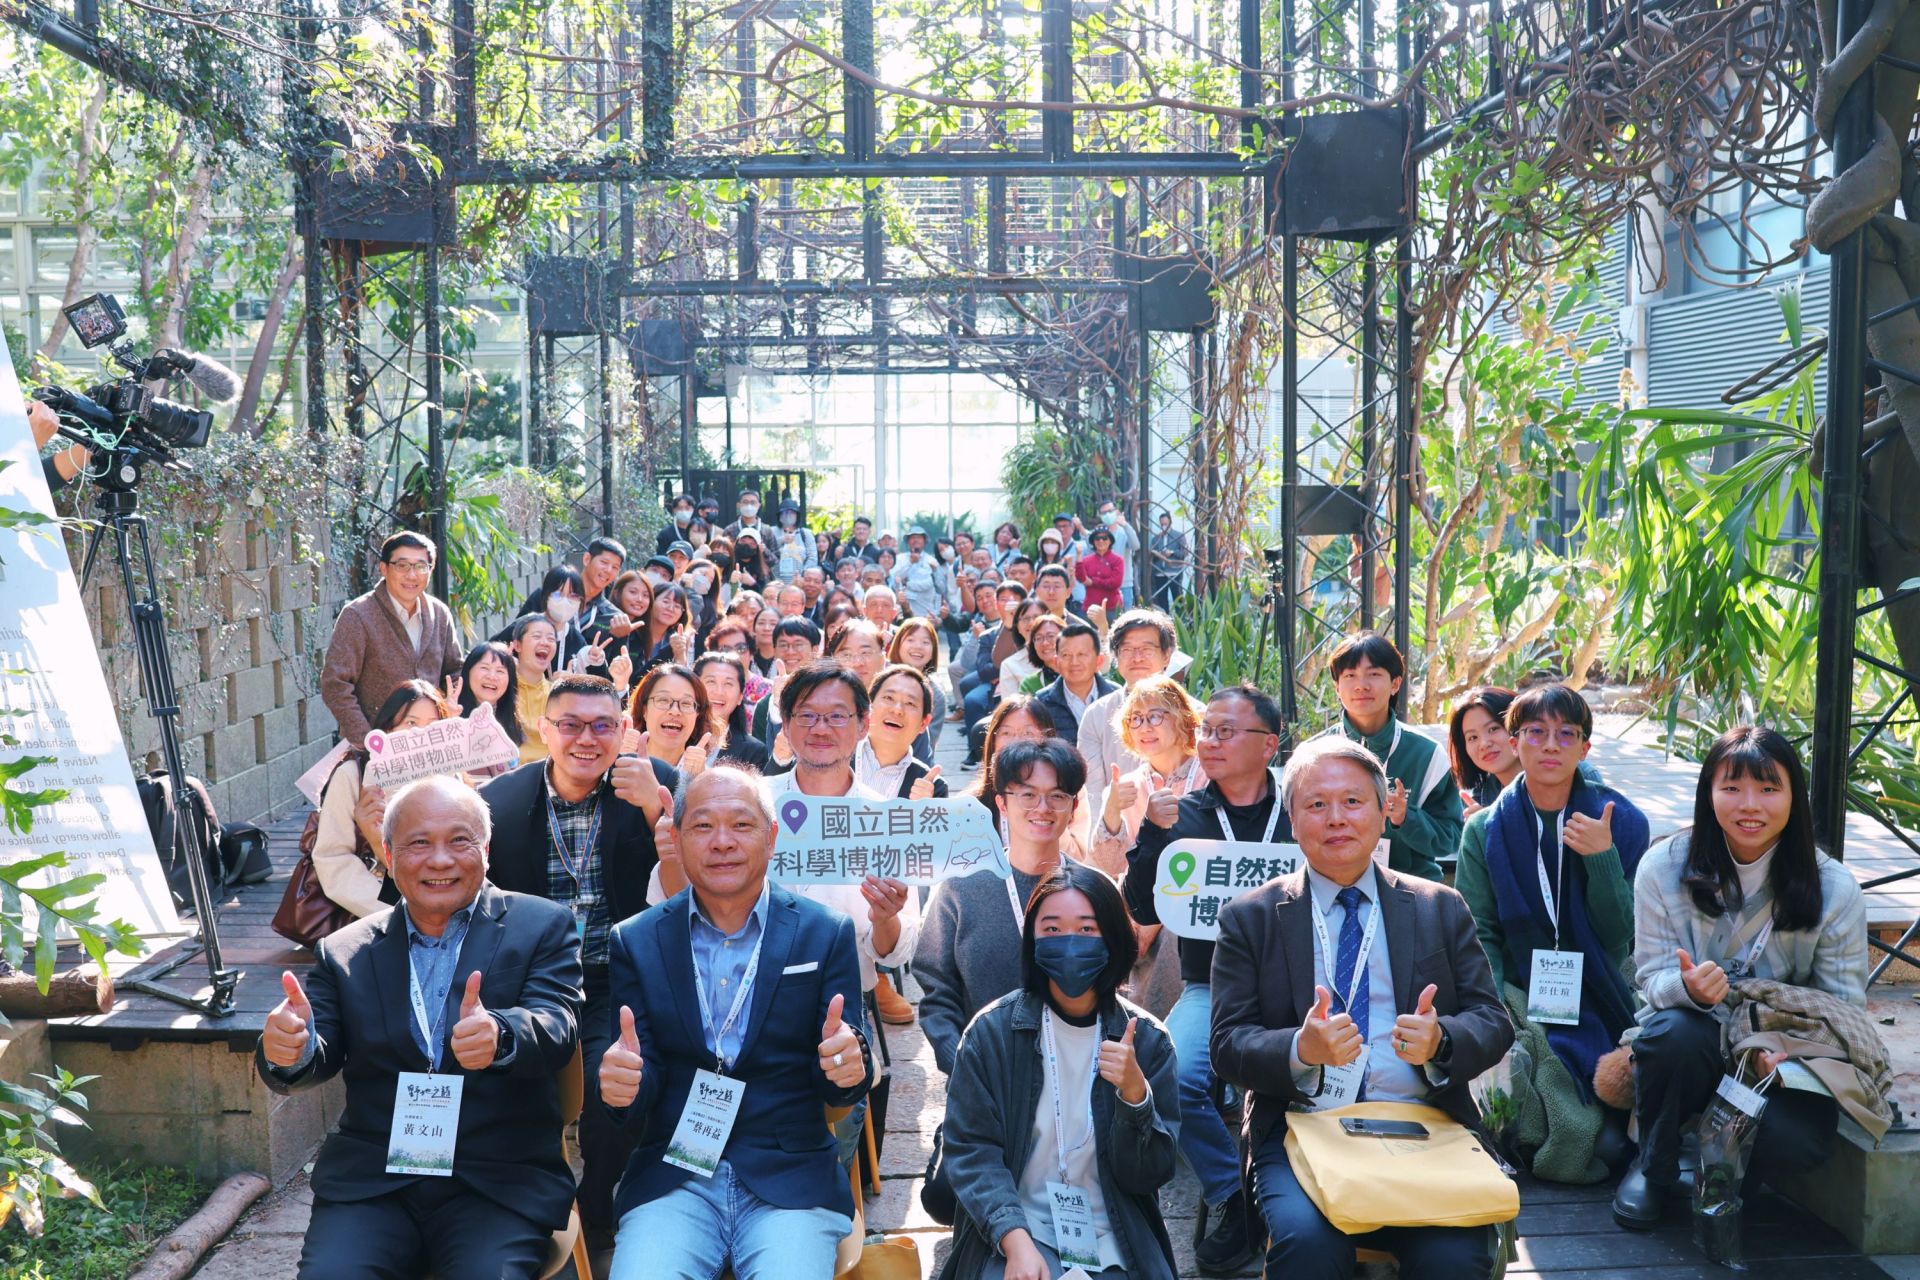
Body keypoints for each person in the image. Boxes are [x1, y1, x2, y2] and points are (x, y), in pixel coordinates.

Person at [1210, 736, 1515, 1279]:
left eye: (1352, 801)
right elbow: (1227, 1044)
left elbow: (1493, 1022)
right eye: (1316, 804)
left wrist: (1441, 1040)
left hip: (1424, 1124)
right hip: (1303, 1126)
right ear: (1292, 820)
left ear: (1382, 812)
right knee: (1307, 1245)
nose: (1336, 818)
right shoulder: (1250, 917)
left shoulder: (1438, 906)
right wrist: (1299, 1049)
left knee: (1453, 1257)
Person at [256, 775, 583, 1280]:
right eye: (418, 844)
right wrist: (288, 1048)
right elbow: (317, 1048)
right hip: (376, 1182)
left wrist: (501, 1034)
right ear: (389, 855)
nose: (440, 860)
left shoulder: (542, 926)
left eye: (459, 841)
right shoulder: (345, 951)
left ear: (486, 849)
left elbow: (556, 1021)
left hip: (496, 1180)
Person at [599, 766, 874, 1280]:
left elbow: (843, 1078)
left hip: (790, 1178)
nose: (722, 842)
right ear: (676, 838)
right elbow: (641, 1075)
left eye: (742, 825)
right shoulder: (636, 940)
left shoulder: (823, 932)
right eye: (703, 826)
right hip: (676, 1175)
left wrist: (848, 1065)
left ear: (772, 837)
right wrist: (622, 1086)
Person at [1612, 726, 1869, 1230]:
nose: (1750, 805)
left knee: (1799, 1140)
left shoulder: (1835, 889)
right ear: (1708, 793)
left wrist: (1793, 1051)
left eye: (1769, 788)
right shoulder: (1663, 867)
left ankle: (1728, 1178)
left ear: (1794, 796)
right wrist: (1687, 989)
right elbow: (1650, 978)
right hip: (1697, 1033)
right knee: (1671, 1036)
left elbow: (1843, 1008)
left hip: (1779, 1053)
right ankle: (1652, 1166)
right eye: (1731, 787)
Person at [478, 674, 681, 1249]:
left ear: (624, 730)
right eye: (571, 725)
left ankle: (598, 1206)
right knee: (516, 1087)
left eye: (602, 726)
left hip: (616, 975)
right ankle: (526, 1204)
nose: (587, 739)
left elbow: (688, 895)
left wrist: (654, 812)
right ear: (545, 729)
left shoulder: (656, 784)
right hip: (531, 978)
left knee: (614, 1086)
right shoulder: (499, 801)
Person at [938, 862, 1180, 1280]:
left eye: (1087, 929)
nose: (1069, 943)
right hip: (1018, 1230)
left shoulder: (1148, 1042)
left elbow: (1150, 1175)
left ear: (1114, 937)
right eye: (1052, 929)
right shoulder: (991, 1034)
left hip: (1115, 1237)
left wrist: (1135, 1096)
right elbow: (971, 1150)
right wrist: (1015, 1241)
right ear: (1031, 939)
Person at [1453, 683, 1649, 1180]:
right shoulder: (1485, 830)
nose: (1550, 746)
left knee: (1612, 1135)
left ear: (1585, 748)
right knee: (1589, 1131)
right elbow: (1479, 932)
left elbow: (1617, 936)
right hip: (1522, 986)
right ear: (1514, 742)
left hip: (1601, 982)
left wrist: (1602, 858)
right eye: (1536, 732)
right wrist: (1491, 1009)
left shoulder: (1623, 822)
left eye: (1567, 734)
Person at [1121, 684, 1287, 1272]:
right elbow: (1141, 906)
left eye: (1226, 731)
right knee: (1169, 1073)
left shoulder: (1304, 806)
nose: (1210, 742)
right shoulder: (1182, 812)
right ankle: (1233, 1195)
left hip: (1301, 986)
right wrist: (1151, 834)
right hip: (1210, 987)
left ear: (1269, 745)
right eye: (1207, 730)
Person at [734, 662, 921, 1030]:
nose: (820, 728)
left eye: (837, 716)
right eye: (806, 715)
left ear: (863, 725)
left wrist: (885, 917)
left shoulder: (887, 820)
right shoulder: (750, 802)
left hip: (840, 1002)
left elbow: (894, 951)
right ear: (786, 725)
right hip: (745, 991)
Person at [917, 739, 1085, 1076]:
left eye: (1057, 796)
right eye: (1027, 795)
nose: (1042, 808)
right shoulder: (961, 886)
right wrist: (960, 1060)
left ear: (1073, 806)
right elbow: (936, 988)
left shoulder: (1092, 891)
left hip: (1074, 1074)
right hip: (981, 1072)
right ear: (1002, 804)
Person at [1316, 631, 1462, 881]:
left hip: (1411, 887)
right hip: (1333, 884)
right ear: (1337, 687)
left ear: (1395, 683)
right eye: (1350, 675)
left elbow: (1450, 837)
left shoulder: (1426, 754)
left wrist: (1406, 818)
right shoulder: (1314, 753)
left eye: (1373, 674)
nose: (1361, 685)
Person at [311, 681, 451, 918]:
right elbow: (333, 857)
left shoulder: (450, 775)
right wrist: (388, 914)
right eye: (411, 723)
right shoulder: (353, 775)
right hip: (374, 906)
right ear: (387, 729)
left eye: (432, 725)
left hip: (443, 901)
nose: (420, 735)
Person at [321, 531, 466, 747]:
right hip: (376, 747)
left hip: (432, 743)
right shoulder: (358, 615)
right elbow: (335, 684)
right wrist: (368, 740)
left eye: (420, 566)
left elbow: (454, 671)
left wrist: (444, 710)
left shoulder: (439, 613)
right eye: (402, 565)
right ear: (384, 568)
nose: (412, 575)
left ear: (431, 569)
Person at [1089, 676, 1206, 873]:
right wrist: (1112, 810)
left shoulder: (1210, 777)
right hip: (1143, 892)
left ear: (1182, 717)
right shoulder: (1125, 788)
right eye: (1136, 718)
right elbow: (1111, 867)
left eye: (1155, 716)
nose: (1144, 728)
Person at [1079, 609, 1179, 819]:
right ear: (1115, 656)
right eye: (1127, 649)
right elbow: (1092, 794)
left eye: (1147, 649)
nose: (1137, 657)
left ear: (1167, 655)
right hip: (1116, 826)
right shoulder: (1097, 715)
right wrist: (1106, 832)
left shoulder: (1192, 714)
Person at [857, 664, 949, 800]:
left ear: (924, 723)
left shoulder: (932, 788)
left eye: (910, 703)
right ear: (867, 708)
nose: (897, 710)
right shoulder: (831, 759)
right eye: (888, 698)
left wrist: (924, 809)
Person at [454, 641, 529, 778]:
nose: (492, 676)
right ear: (468, 672)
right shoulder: (451, 718)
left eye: (500, 671)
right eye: (484, 668)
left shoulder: (511, 722)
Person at [630, 663, 719, 780]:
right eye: (663, 700)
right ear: (644, 710)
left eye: (686, 703)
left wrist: (697, 782)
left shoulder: (706, 780)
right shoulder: (617, 763)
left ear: (698, 714)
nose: (675, 711)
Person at [1033, 620, 1117, 744]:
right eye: (1066, 655)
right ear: (1056, 662)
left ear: (1099, 661)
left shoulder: (1117, 696)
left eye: (1082, 654)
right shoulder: (1041, 703)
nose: (1074, 662)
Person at [693, 652, 774, 772]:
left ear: (740, 696)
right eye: (711, 681)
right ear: (694, 689)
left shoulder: (753, 752)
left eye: (728, 683)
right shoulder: (676, 735)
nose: (719, 692)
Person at [748, 617, 822, 746]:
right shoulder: (766, 706)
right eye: (783, 645)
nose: (790, 651)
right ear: (774, 650)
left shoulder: (831, 696)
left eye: (798, 644)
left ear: (815, 650)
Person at [1448, 686, 1519, 817]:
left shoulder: (1552, 785)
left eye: (1493, 729)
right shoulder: (1480, 797)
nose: (1484, 744)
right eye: (1473, 737)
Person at [888, 616, 948, 756]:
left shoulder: (936, 696)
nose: (918, 646)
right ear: (898, 644)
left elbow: (927, 746)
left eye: (925, 642)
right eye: (910, 640)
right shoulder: (880, 679)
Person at [508, 615, 557, 765]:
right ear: (517, 646)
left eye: (551, 638)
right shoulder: (501, 688)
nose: (545, 642)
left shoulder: (558, 694)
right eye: (536, 636)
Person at [999, 611, 1064, 700]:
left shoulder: (1078, 672)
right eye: (1038, 638)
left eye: (1051, 636)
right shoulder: (1029, 684)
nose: (1045, 643)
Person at [891, 526, 951, 620]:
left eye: (919, 537)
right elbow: (893, 581)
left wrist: (935, 571)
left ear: (924, 541)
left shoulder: (932, 560)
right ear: (908, 541)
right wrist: (910, 563)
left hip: (927, 612)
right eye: (912, 537)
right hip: (905, 612)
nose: (915, 540)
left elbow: (941, 588)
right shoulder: (900, 559)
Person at [577, 536, 631, 639]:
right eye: (604, 562)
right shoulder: (554, 596)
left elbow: (620, 650)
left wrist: (620, 637)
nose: (608, 570)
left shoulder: (614, 618)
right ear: (587, 559)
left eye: (615, 567)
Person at [1094, 499, 1140, 608]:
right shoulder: (1098, 536)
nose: (1107, 515)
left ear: (1117, 511)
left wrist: (1125, 525)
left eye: (1110, 511)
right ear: (1100, 516)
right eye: (1104, 513)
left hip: (1124, 585)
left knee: (1125, 617)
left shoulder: (1125, 531)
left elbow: (1136, 546)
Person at [1076, 525, 1126, 614]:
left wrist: (1093, 582)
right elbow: (1081, 578)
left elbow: (1116, 582)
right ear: (1093, 541)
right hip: (1090, 607)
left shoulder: (1118, 560)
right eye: (1097, 538)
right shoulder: (1087, 560)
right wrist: (1079, 556)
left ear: (1110, 541)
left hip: (1112, 607)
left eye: (1104, 538)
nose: (1101, 541)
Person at [1149, 512, 1189, 609]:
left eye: (1166, 524)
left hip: (1174, 572)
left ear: (1170, 522)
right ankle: (1165, 617)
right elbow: (1151, 555)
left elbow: (1184, 553)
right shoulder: (1156, 539)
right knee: (1162, 600)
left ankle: (1180, 616)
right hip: (1160, 573)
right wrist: (1158, 554)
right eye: (1162, 524)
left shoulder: (1178, 536)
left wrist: (1172, 553)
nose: (1164, 526)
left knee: (1178, 598)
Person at [772, 499, 816, 581]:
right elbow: (765, 552)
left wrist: (802, 574)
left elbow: (812, 558)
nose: (788, 515)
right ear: (779, 515)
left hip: (800, 580)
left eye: (791, 512)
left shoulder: (805, 533)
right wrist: (781, 541)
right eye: (784, 512)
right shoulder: (771, 531)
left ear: (797, 515)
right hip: (775, 580)